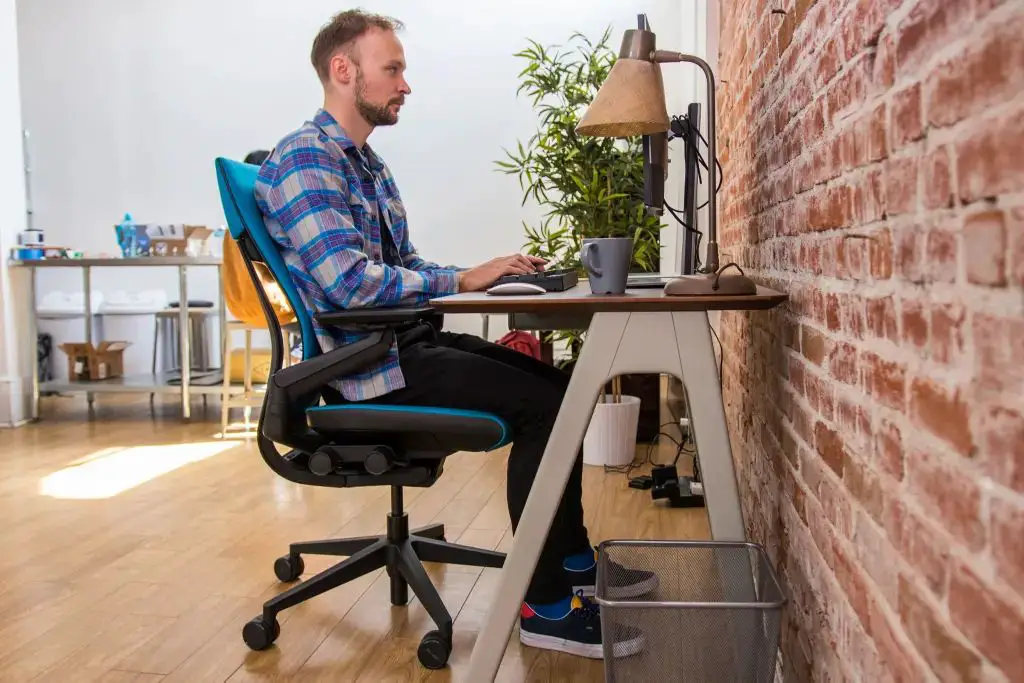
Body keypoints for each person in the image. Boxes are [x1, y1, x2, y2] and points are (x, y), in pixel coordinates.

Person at [254, 10, 654, 659]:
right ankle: (546, 604)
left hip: (401, 344)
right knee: (545, 407)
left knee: (560, 385)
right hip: (366, 369)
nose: (405, 84)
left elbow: (403, 265)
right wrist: (464, 279)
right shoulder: (306, 159)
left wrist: (478, 277)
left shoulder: (366, 165)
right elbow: (350, 284)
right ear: (342, 70)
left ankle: (573, 561)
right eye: (393, 69)